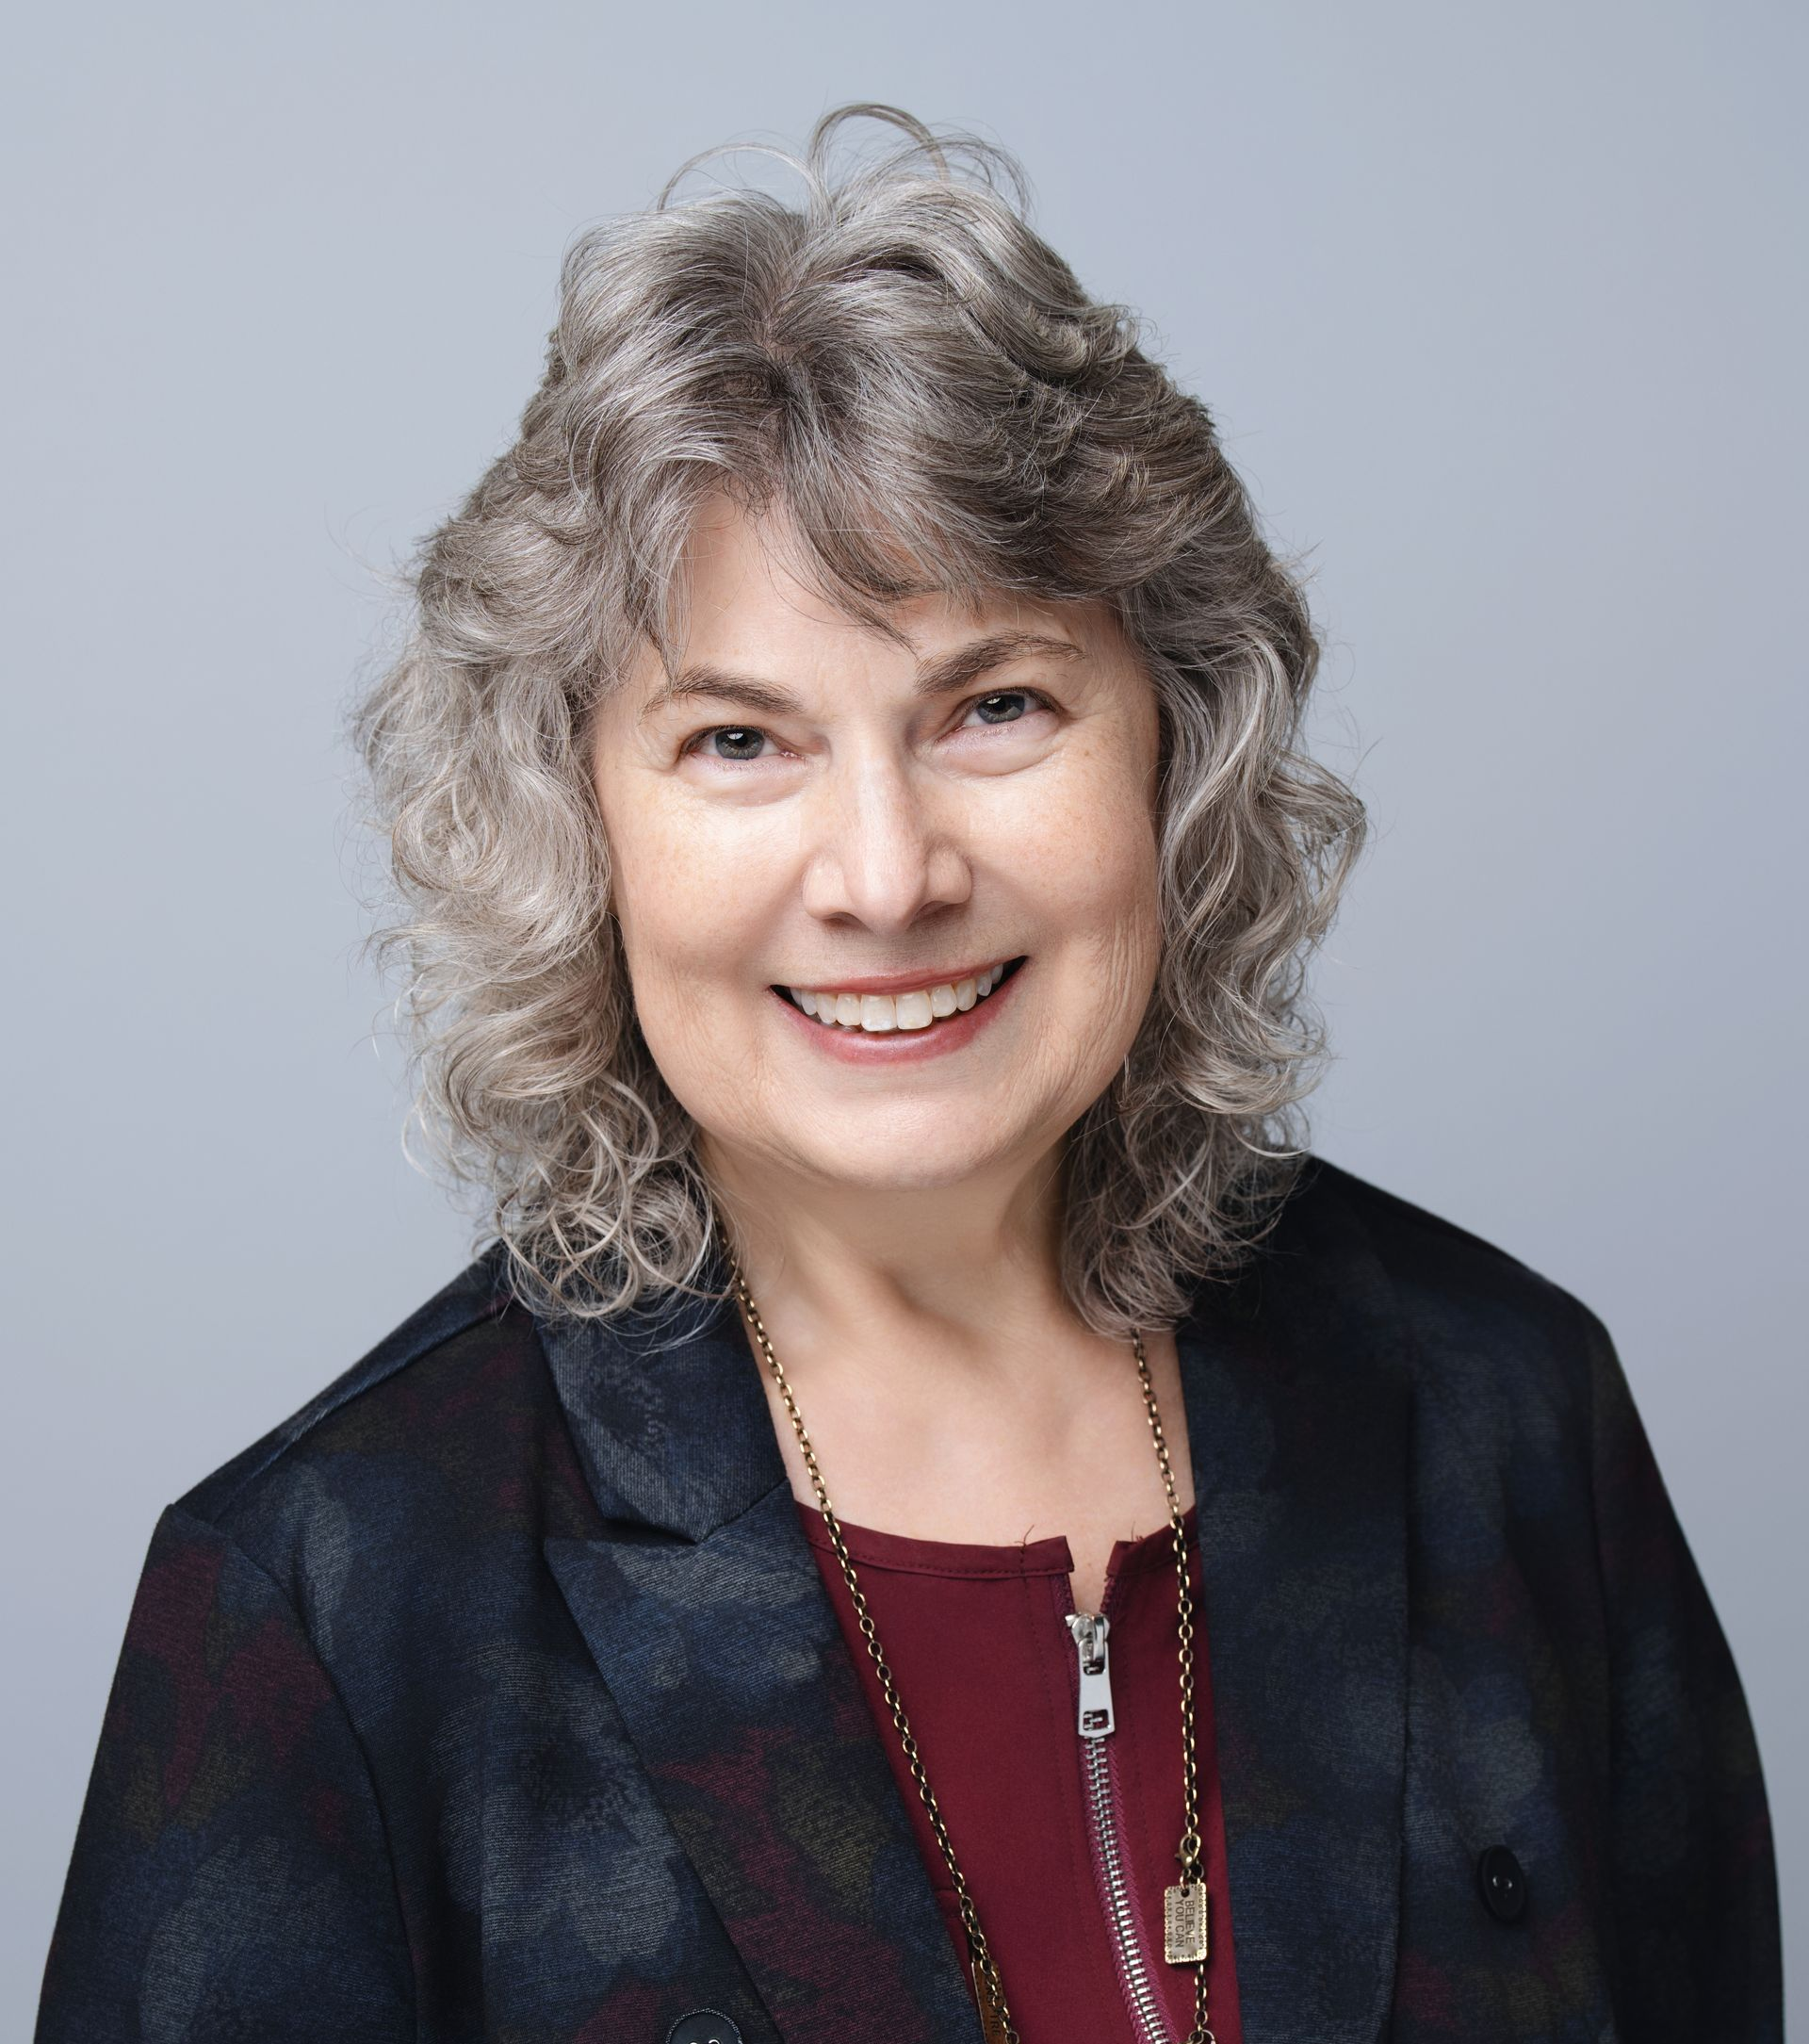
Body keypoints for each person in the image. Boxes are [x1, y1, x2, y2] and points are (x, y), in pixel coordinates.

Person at [35, 103, 1780, 2044]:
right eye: (737, 742)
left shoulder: (1504, 1415)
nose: (887, 875)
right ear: (574, 827)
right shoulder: (331, 1609)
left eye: (996, 706)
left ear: (1174, 753)